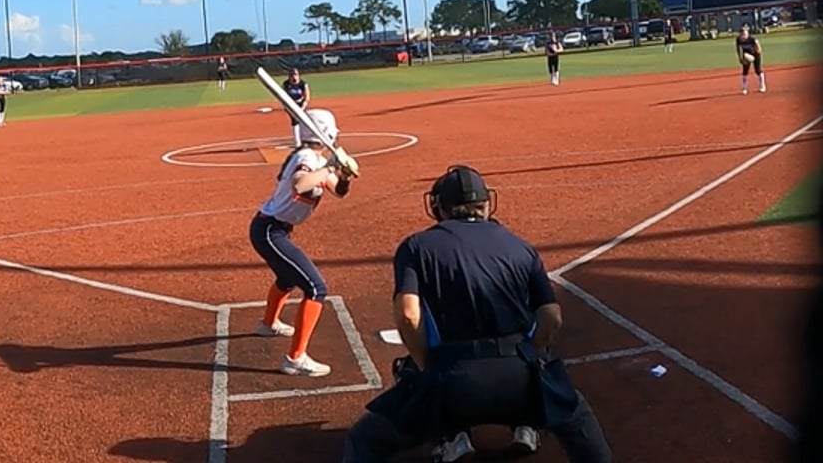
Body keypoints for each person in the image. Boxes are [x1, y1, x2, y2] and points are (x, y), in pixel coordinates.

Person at [341, 165, 614, 463]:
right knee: (578, 420)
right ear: (486, 204)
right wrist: (529, 356)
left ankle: (453, 436)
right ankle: (527, 427)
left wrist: (427, 367)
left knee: (365, 440)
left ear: (438, 207)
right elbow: (551, 317)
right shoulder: (520, 246)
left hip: (452, 378)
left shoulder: (416, 246)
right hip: (519, 376)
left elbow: (408, 316)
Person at [249, 108, 354, 378]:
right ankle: (295, 359)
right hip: (270, 230)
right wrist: (330, 166)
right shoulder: (306, 158)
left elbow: (339, 191)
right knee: (316, 288)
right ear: (325, 134)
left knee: (287, 278)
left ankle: (268, 324)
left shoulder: (316, 159)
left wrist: (344, 175)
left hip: (274, 229)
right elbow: (300, 184)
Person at [283, 67, 312, 147]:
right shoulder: (286, 84)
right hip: (290, 104)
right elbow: (283, 95)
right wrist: (286, 106)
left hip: (300, 104)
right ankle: (297, 142)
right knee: (295, 120)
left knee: (302, 121)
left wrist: (303, 106)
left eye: (295, 75)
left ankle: (305, 138)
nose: (294, 77)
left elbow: (307, 96)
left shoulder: (303, 84)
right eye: (292, 75)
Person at [736, 25, 766, 94]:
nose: (742, 35)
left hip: (756, 54)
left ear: (747, 33)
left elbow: (759, 49)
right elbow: (738, 49)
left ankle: (762, 86)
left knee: (758, 70)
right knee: (745, 71)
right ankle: (744, 88)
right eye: (741, 33)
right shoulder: (738, 39)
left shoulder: (752, 39)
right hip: (746, 55)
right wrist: (740, 58)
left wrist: (753, 54)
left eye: (744, 33)